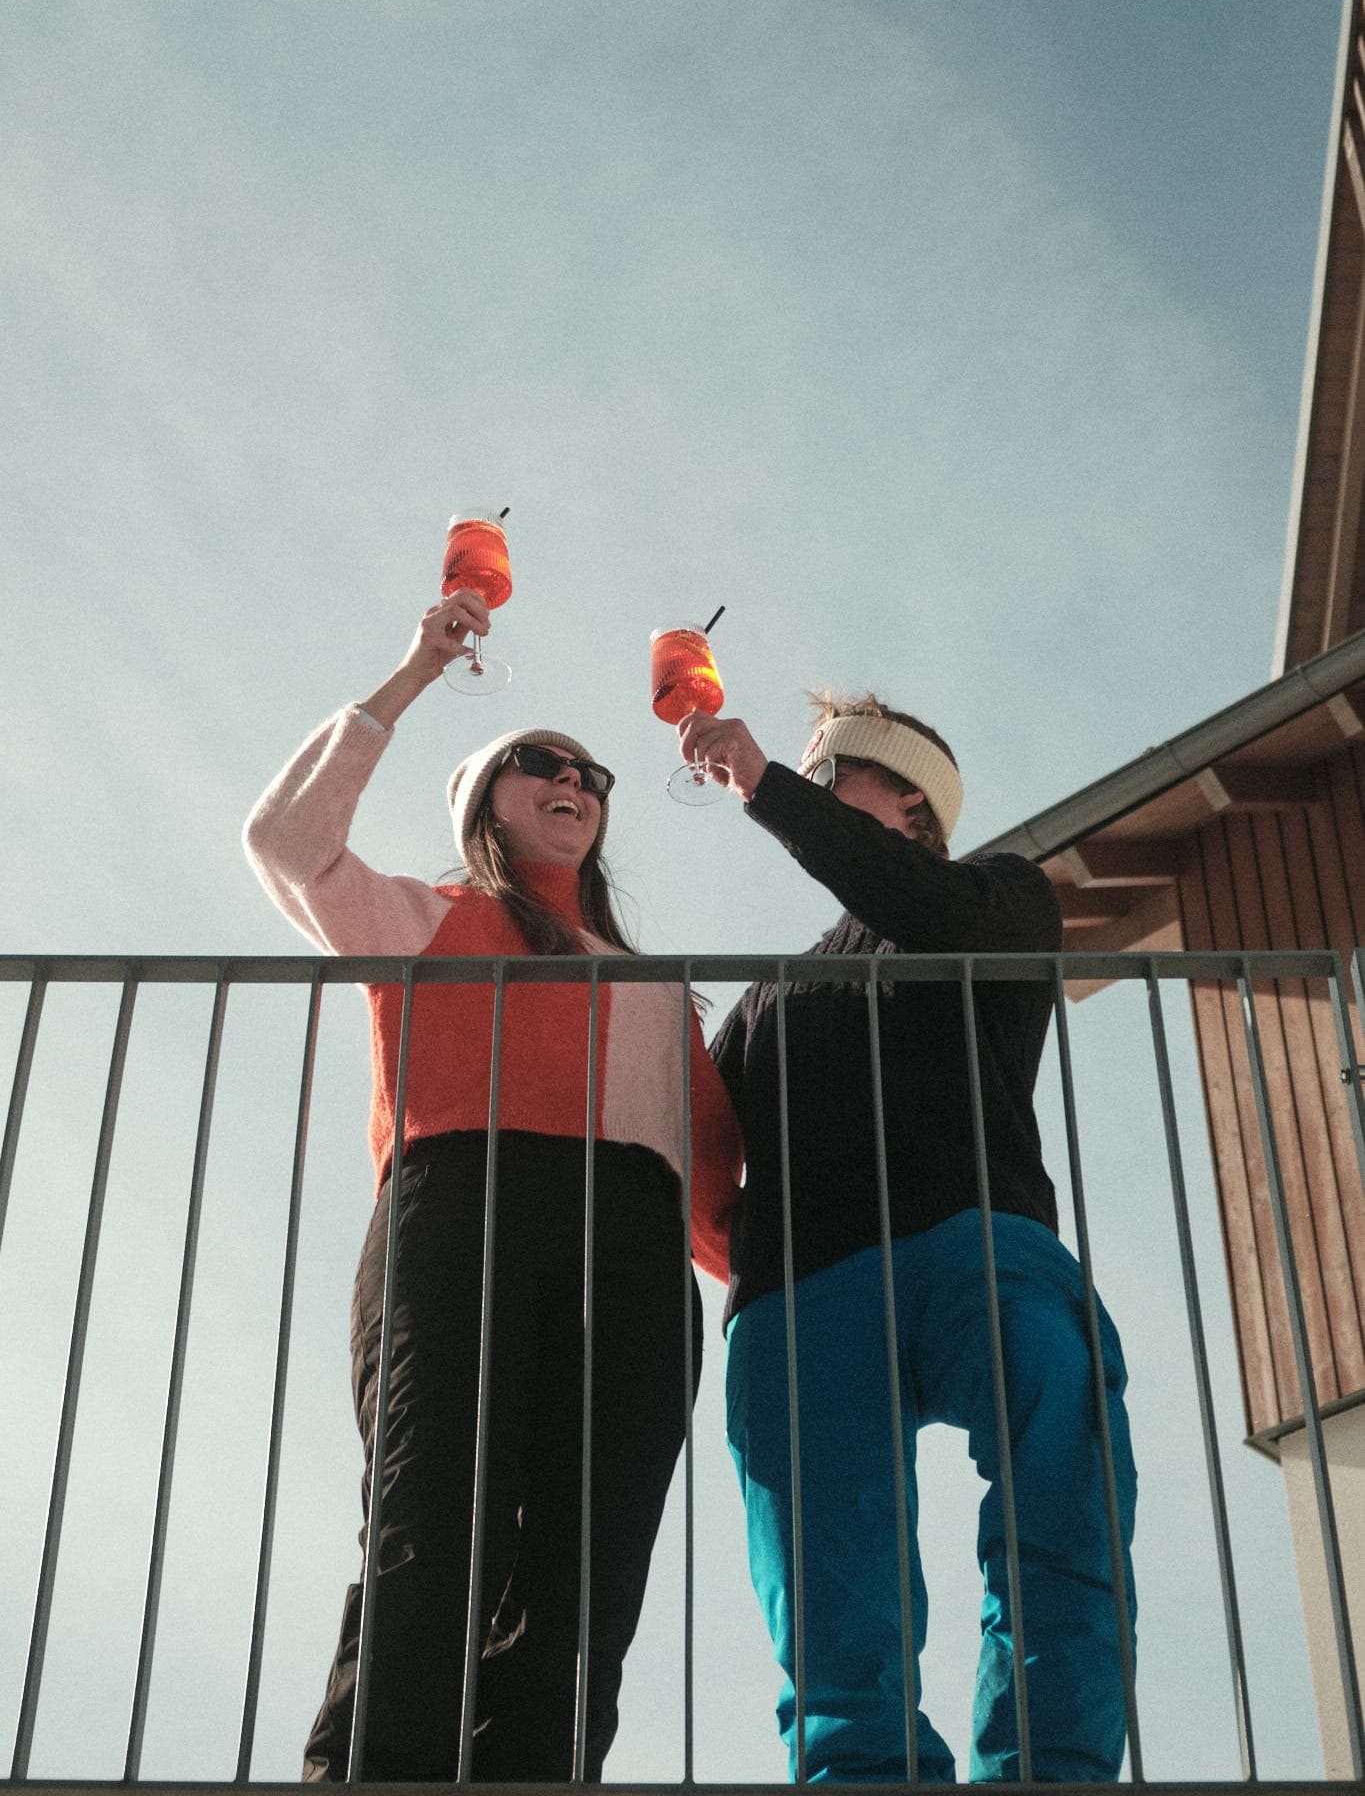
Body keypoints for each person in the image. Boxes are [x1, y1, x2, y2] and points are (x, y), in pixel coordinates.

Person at [243, 589, 743, 1784]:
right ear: (483, 800)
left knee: (586, 1581)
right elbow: (286, 840)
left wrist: (802, 1299)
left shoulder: (655, 988)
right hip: (461, 1214)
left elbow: (717, 1193)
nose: (574, 779)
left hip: (629, 1253)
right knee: (434, 1540)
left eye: (593, 771)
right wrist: (416, 670)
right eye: (538, 762)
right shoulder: (426, 916)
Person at [676, 688, 1137, 1785]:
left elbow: (917, 904)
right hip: (801, 1295)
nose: (811, 790)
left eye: (831, 775)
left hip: (973, 1242)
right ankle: (861, 1773)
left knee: (1064, 1470)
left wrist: (761, 787)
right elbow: (696, 1159)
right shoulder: (765, 1000)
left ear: (911, 800)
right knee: (827, 1583)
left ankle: (1047, 1764)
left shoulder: (1001, 895)